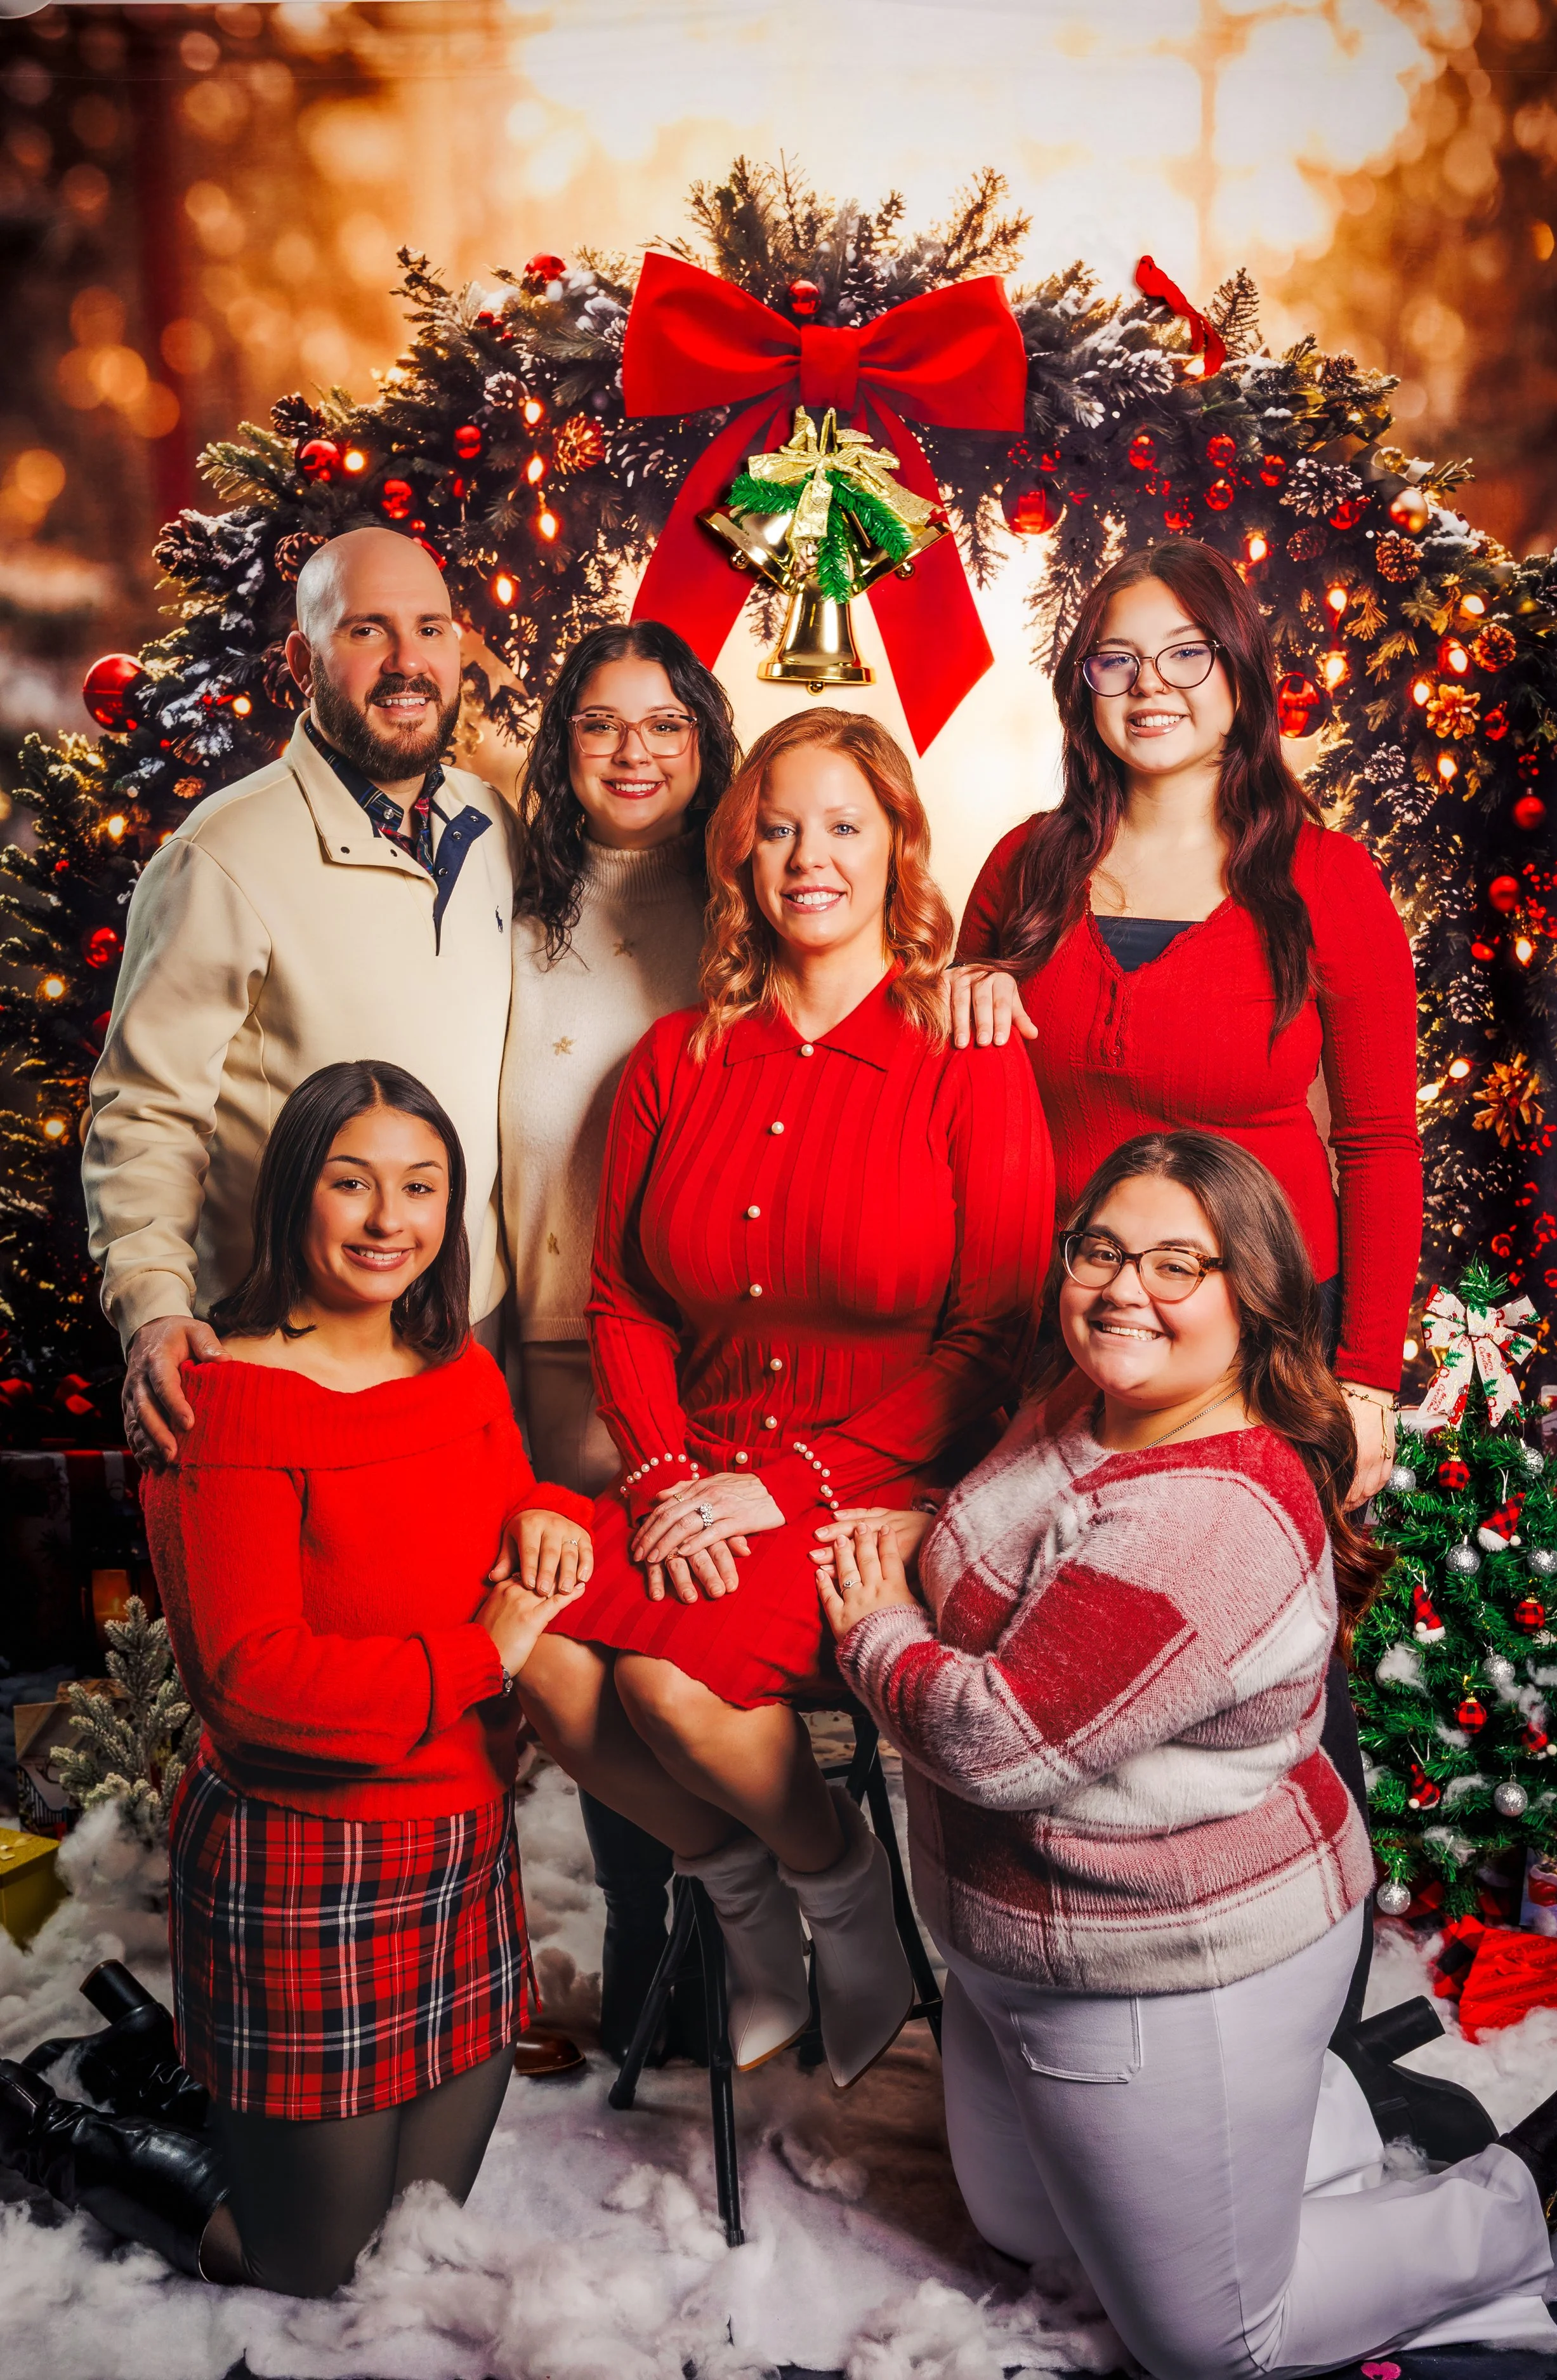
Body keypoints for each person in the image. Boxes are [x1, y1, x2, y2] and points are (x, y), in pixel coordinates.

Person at [818, 1130, 1557, 2380]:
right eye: (1102, 1252)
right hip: (1009, 1943)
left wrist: (873, 1625)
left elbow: (993, 1742)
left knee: (1211, 2340)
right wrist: (912, 1534)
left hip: (1162, 1963)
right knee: (1021, 2231)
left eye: (1181, 1265)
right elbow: (1000, 1550)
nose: (1126, 1290)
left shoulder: (1206, 1514)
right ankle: (1290, 2131)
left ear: (1254, 1300)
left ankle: (1500, 2208)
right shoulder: (1084, 1399)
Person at [514, 707, 1055, 2090]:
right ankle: (745, 1902)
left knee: (669, 1685)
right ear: (737, 857)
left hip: (877, 1496)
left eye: (842, 826)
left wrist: (784, 1488)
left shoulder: (962, 1053)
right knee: (537, 1654)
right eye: (774, 828)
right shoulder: (678, 1062)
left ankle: (843, 1887)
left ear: (894, 851)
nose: (805, 855)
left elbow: (991, 1338)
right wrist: (654, 1484)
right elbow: (626, 1302)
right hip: (692, 1475)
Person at [1, 1062, 592, 2294]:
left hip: (461, 1840)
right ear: (293, 1197)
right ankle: (54, 2135)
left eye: (421, 1186)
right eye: (353, 1183)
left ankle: (158, 2064)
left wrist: (543, 1514)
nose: (391, 1221)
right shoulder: (223, 1403)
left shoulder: (459, 1367)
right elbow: (252, 1685)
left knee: (416, 2228)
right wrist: (485, 1651)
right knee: (313, 2264)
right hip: (305, 1858)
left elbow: (502, 1494)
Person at [949, 538, 1420, 1511]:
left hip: (1265, 1336)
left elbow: (1379, 1143)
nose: (1149, 685)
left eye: (1187, 653)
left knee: (1235, 1632)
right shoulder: (1022, 872)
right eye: (1116, 660)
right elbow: (958, 1120)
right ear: (1085, 688)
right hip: (1062, 1323)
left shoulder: (1330, 881)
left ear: (1241, 674)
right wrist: (953, 996)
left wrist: (1369, 1376)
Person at [84, 526, 518, 1472]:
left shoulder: (494, 827)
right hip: (290, 1358)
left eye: (432, 629)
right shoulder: (223, 856)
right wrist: (154, 1305)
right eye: (369, 630)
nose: (409, 662)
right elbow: (147, 1106)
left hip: (467, 1345)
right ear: (300, 661)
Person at [499, 621, 738, 2061]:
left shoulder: (747, 893)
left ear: (704, 742)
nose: (633, 752)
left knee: (687, 1646)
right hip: (542, 1339)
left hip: (699, 1346)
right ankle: (645, 1920)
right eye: (600, 725)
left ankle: (712, 1932)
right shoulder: (511, 909)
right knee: (585, 1633)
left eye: (663, 724)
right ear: (560, 748)